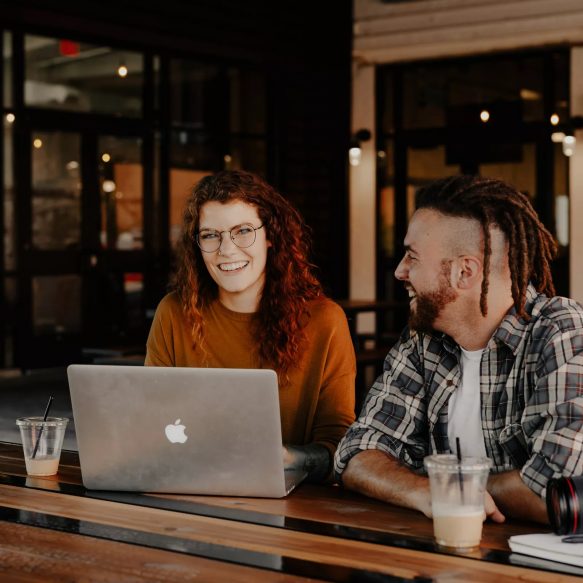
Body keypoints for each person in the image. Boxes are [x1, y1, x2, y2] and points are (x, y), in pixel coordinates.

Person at [334, 174, 583, 524]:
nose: (399, 271)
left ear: (464, 272)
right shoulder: (425, 337)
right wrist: (425, 491)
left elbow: (556, 489)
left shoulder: (562, 332)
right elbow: (357, 453)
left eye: (412, 257)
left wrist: (443, 485)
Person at [146, 170, 356, 482]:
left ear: (270, 236)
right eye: (210, 235)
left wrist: (287, 458)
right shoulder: (173, 313)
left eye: (243, 231)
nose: (226, 249)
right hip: (187, 486)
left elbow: (338, 444)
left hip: (291, 502)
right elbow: (147, 420)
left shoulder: (325, 321)